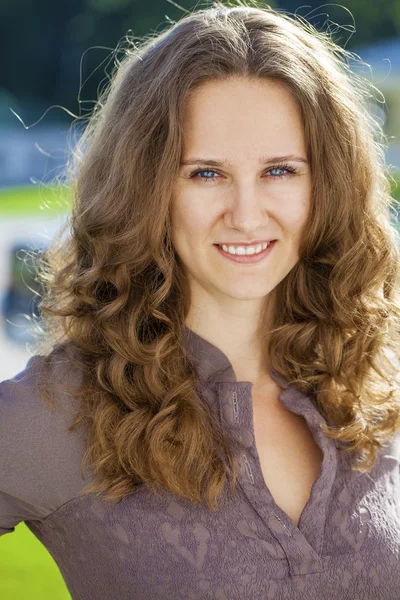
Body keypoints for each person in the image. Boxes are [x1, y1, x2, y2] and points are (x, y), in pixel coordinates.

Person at [1, 2, 400, 598]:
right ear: (148, 189)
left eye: (281, 171)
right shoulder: (63, 413)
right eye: (205, 173)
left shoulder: (381, 386)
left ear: (329, 183)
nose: (245, 214)